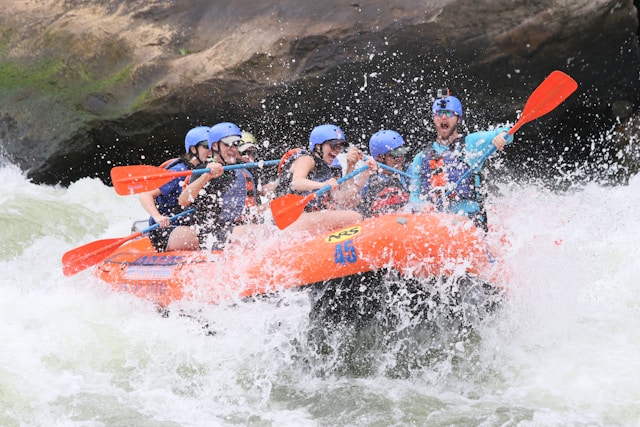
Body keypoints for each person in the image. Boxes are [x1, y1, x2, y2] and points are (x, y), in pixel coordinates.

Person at [408, 91, 512, 231]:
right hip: (437, 224)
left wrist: (502, 136)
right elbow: (413, 198)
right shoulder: (420, 157)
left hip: (469, 220)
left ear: (458, 119)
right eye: (439, 113)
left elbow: (508, 133)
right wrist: (422, 206)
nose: (444, 117)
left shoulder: (471, 143)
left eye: (449, 113)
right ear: (433, 118)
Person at [273, 123, 377, 234]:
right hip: (289, 219)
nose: (337, 150)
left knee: (351, 211)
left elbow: (343, 201)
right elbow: (296, 182)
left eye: (340, 147)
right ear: (318, 146)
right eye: (333, 145)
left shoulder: (328, 170)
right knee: (353, 217)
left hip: (306, 218)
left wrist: (360, 172)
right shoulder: (306, 158)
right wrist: (322, 185)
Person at [178, 121, 259, 249]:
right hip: (214, 233)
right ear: (215, 146)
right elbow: (183, 201)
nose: (233, 149)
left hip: (241, 228)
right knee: (258, 233)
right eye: (228, 144)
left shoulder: (244, 169)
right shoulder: (204, 169)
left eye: (236, 144)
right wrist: (206, 176)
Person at [139, 126, 210, 252]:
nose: (211, 151)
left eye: (213, 146)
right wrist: (158, 217)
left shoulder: (206, 171)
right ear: (193, 149)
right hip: (165, 231)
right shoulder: (179, 171)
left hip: (186, 226)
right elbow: (145, 194)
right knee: (207, 236)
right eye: (206, 146)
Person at [359, 129, 410, 217]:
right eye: (395, 156)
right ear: (380, 157)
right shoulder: (367, 178)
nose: (401, 159)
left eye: (402, 154)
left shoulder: (409, 172)